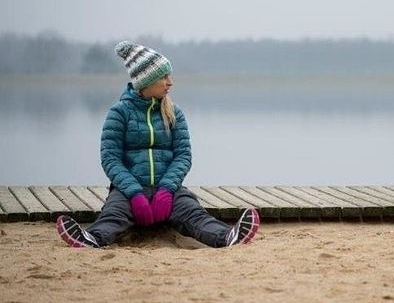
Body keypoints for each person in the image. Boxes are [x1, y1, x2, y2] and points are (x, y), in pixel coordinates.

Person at [56, 40, 259, 248]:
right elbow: (110, 159)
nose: (170, 82)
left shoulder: (174, 113)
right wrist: (134, 193)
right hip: (129, 190)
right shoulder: (119, 113)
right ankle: (91, 239)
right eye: (164, 76)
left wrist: (166, 189)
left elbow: (183, 156)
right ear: (146, 80)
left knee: (193, 212)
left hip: (169, 190)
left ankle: (227, 237)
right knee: (114, 214)